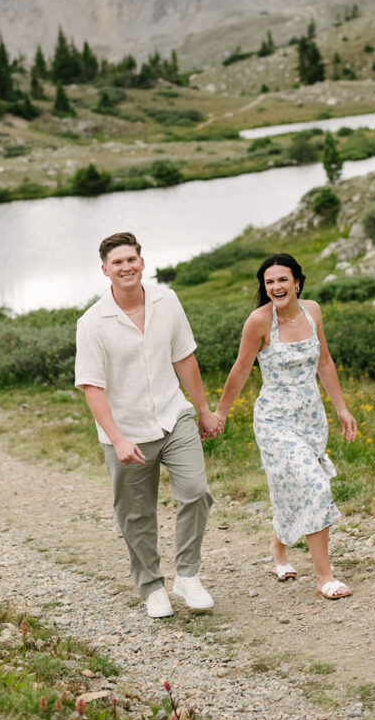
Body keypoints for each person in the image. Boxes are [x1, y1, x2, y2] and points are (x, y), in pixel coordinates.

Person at [75, 231, 222, 618]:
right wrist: (117, 438)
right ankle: (152, 587)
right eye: (117, 263)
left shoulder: (166, 300)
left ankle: (187, 575)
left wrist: (203, 410)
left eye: (131, 260)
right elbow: (92, 388)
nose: (126, 267)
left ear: (142, 263)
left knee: (196, 490)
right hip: (126, 432)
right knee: (136, 514)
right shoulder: (92, 323)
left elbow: (184, 359)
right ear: (105, 270)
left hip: (174, 417)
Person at [213, 253, 357, 599]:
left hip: (311, 417)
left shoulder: (313, 310)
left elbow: (324, 360)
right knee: (313, 484)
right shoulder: (258, 322)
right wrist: (220, 414)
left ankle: (278, 550)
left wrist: (341, 408)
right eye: (269, 282)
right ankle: (325, 577)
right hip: (275, 420)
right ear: (265, 288)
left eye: (282, 280)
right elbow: (240, 370)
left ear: (296, 282)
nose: (276, 287)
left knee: (291, 487)